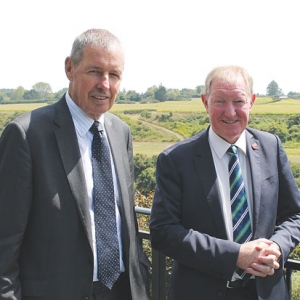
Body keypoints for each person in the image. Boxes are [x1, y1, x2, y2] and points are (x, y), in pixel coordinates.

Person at [0, 29, 150, 300]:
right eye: (94, 71)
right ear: (70, 68)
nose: (104, 84)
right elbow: (4, 243)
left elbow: (125, 221)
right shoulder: (26, 135)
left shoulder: (121, 133)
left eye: (114, 75)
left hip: (120, 291)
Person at [150, 65, 300, 300]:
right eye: (220, 101)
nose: (230, 112)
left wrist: (277, 247)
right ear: (205, 102)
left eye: (238, 101)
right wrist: (235, 255)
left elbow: (294, 215)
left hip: (266, 293)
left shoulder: (271, 146)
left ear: (251, 101)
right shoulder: (176, 159)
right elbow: (163, 231)